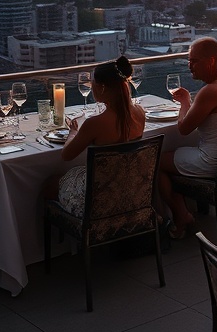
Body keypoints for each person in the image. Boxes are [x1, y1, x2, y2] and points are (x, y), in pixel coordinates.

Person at [158, 37, 217, 239]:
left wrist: (185, 102)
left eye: (194, 61)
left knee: (158, 162)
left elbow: (184, 128)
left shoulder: (211, 91)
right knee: (172, 156)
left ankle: (181, 216)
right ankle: (183, 212)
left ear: (211, 61)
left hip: (212, 162)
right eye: (189, 61)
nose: (189, 66)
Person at [53, 57, 147, 218]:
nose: (91, 86)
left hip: (100, 198)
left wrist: (73, 132)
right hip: (129, 191)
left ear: (102, 87)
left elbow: (66, 155)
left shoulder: (95, 123)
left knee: (48, 184)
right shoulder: (139, 112)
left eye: (92, 82)